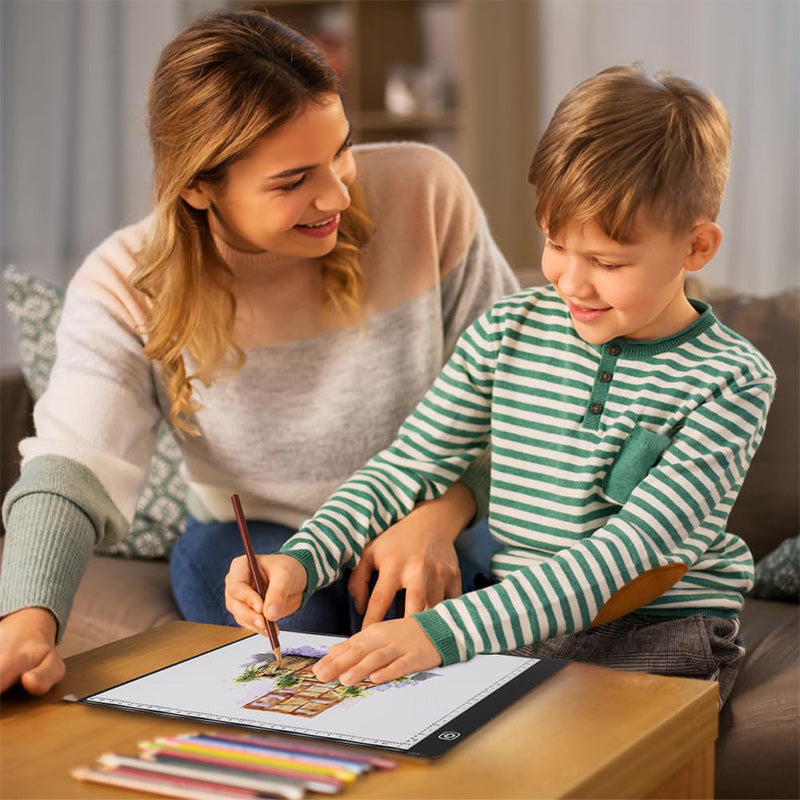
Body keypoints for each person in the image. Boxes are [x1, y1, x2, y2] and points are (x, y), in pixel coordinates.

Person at [0, 11, 519, 695]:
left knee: (429, 635)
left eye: (341, 149)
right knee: (293, 660)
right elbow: (71, 468)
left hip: (425, 512)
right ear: (197, 186)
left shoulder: (426, 195)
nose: (337, 192)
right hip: (259, 541)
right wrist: (26, 623)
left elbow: (520, 394)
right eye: (292, 179)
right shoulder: (126, 283)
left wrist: (441, 513)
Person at [225, 65, 775, 708]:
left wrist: (442, 633)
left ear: (696, 247)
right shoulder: (505, 331)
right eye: (555, 243)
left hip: (659, 634)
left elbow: (627, 555)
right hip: (513, 625)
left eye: (606, 262)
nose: (571, 281)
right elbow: (408, 468)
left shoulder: (732, 382)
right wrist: (301, 559)